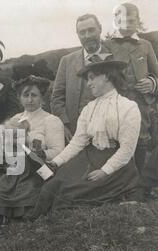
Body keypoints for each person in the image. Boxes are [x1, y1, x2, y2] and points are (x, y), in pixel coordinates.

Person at [31, 57, 141, 217]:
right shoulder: (89, 108)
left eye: (91, 78)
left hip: (117, 165)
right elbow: (77, 142)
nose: (88, 84)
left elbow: (127, 149)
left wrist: (105, 171)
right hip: (90, 156)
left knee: (71, 191)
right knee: (54, 183)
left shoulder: (129, 107)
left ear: (106, 76)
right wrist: (55, 162)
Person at [104, 3, 158, 172]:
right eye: (122, 19)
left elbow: (156, 73)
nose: (127, 22)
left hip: (141, 104)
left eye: (131, 19)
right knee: (119, 140)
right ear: (116, 21)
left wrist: (152, 82)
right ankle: (121, 182)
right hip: (117, 104)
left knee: (141, 140)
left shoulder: (145, 45)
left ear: (137, 21)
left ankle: (140, 181)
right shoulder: (107, 45)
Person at [51, 14, 113, 141]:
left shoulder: (115, 57)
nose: (87, 36)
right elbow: (57, 97)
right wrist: (64, 124)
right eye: (82, 32)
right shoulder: (67, 61)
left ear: (100, 29)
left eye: (91, 30)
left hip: (110, 132)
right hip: (76, 133)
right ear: (77, 34)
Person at [0, 118, 44, 225]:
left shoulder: (26, 148)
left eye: (19, 136)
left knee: (29, 187)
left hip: (26, 176)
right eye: (12, 136)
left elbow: (37, 162)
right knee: (8, 190)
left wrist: (37, 153)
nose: (16, 140)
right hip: (8, 177)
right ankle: (7, 215)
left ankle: (23, 213)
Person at [11, 64, 65, 161]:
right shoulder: (15, 119)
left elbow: (58, 151)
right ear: (19, 98)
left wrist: (37, 154)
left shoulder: (51, 121)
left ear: (41, 98)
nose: (30, 100)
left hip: (39, 169)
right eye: (26, 95)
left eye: (34, 95)